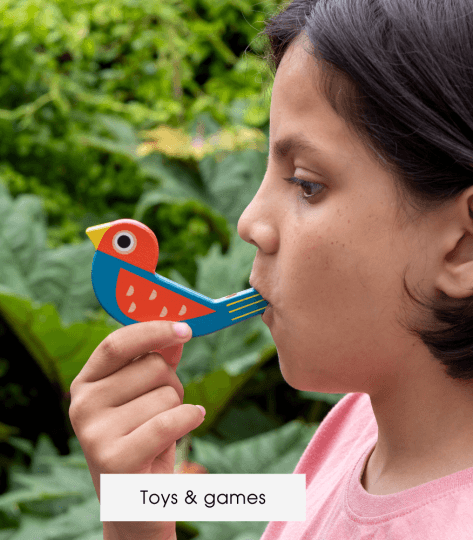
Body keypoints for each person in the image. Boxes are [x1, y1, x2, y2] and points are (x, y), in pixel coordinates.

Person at [68, 0, 473, 538]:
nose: (249, 221)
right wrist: (138, 508)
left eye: (307, 183)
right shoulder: (366, 421)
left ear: (462, 247)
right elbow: (288, 501)